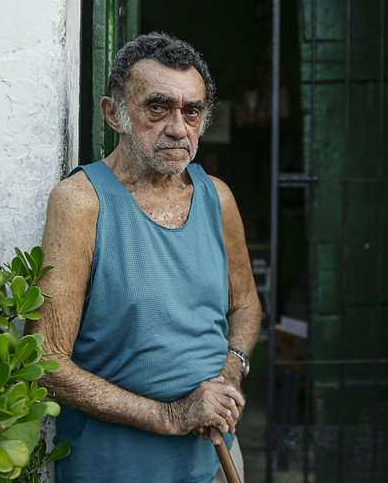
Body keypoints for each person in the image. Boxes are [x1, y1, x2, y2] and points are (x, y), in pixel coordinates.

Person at [26, 32, 262, 483]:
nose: (178, 127)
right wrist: (172, 415)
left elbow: (246, 306)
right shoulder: (82, 202)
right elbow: (46, 361)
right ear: (113, 113)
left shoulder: (218, 198)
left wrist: (230, 372)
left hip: (214, 461)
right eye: (158, 107)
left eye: (191, 110)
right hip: (115, 467)